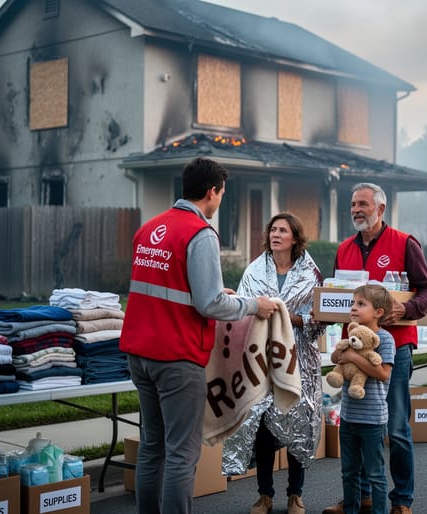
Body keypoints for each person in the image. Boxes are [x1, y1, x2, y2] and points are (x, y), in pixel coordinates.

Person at [120, 157, 278, 514]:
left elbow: (168, 284)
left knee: (152, 446)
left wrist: (216, 292)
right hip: (176, 357)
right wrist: (255, 306)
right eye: (222, 192)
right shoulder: (200, 232)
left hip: (139, 353)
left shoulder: (150, 228)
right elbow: (208, 305)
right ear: (213, 192)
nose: (221, 198)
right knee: (181, 453)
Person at [327, 182, 427, 514]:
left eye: (363, 204)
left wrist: (407, 309)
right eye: (353, 204)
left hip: (395, 348)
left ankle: (401, 500)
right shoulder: (344, 247)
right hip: (354, 352)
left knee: (397, 428)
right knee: (359, 426)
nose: (356, 210)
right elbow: (336, 296)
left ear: (381, 209)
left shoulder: (404, 243)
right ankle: (360, 496)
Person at [225, 212, 325, 514]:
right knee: (264, 427)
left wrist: (289, 316)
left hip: (299, 362)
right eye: (273, 230)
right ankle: (265, 495)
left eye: (282, 230)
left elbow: (322, 320)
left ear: (295, 237)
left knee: (299, 424)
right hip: (262, 359)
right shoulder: (254, 270)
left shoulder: (312, 273)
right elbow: (242, 309)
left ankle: (296, 495)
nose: (276, 234)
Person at [335, 285, 396, 514]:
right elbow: (336, 357)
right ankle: (351, 509)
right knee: (349, 471)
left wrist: (351, 356)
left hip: (373, 420)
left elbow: (382, 373)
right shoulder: (351, 335)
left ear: (378, 312)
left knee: (375, 474)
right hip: (348, 417)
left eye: (361, 304)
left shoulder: (385, 339)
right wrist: (343, 352)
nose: (353, 307)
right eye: (353, 303)